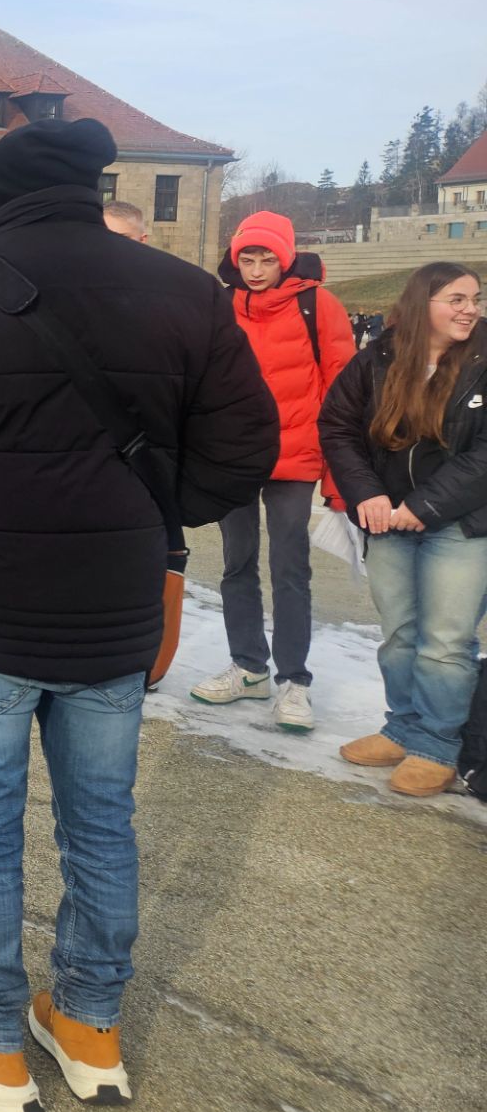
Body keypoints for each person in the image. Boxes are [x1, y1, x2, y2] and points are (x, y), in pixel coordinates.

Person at [0, 118, 277, 1112]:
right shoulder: (188, 295)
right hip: (113, 610)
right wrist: (152, 506)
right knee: (101, 826)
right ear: (95, 187)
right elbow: (247, 449)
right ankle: (88, 1023)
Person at [321, 263, 486, 797]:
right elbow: (339, 427)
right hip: (386, 518)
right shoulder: (378, 358)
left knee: (445, 641)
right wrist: (365, 492)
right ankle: (403, 727)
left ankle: (436, 746)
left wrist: (428, 504)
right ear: (423, 303)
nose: (470, 309)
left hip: (461, 524)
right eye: (456, 299)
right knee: (399, 636)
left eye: (475, 299)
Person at [191, 212, 356, 730]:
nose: (257, 269)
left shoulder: (317, 305)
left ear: (285, 260)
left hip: (295, 455)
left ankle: (294, 680)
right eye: (247, 258)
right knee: (237, 564)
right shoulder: (219, 305)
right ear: (233, 259)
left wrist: (338, 477)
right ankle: (248, 667)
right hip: (235, 456)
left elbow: (343, 394)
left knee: (291, 567)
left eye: (267, 258)